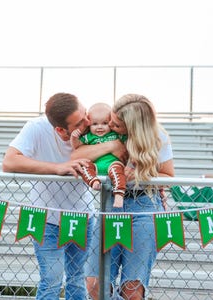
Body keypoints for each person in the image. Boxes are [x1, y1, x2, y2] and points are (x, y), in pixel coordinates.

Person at [2, 93, 127, 300]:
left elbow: (126, 144)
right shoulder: (36, 127)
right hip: (46, 219)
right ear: (61, 130)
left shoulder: (95, 126)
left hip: (82, 217)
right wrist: (57, 168)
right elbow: (9, 162)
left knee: (77, 279)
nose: (88, 122)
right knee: (51, 281)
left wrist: (112, 146)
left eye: (85, 114)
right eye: (80, 122)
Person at [72, 93, 174, 300]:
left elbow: (168, 177)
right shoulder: (109, 134)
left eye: (116, 124)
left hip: (144, 207)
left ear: (133, 127)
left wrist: (139, 175)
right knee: (94, 284)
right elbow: (75, 157)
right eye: (111, 119)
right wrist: (111, 145)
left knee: (132, 290)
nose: (109, 125)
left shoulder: (158, 137)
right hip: (108, 205)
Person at [70, 102, 127, 208]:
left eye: (104, 123)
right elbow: (77, 147)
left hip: (113, 164)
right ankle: (94, 181)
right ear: (89, 124)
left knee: (117, 172)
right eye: (95, 124)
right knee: (84, 167)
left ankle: (119, 195)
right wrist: (73, 138)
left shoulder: (115, 134)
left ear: (111, 122)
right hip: (96, 166)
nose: (99, 127)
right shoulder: (89, 137)